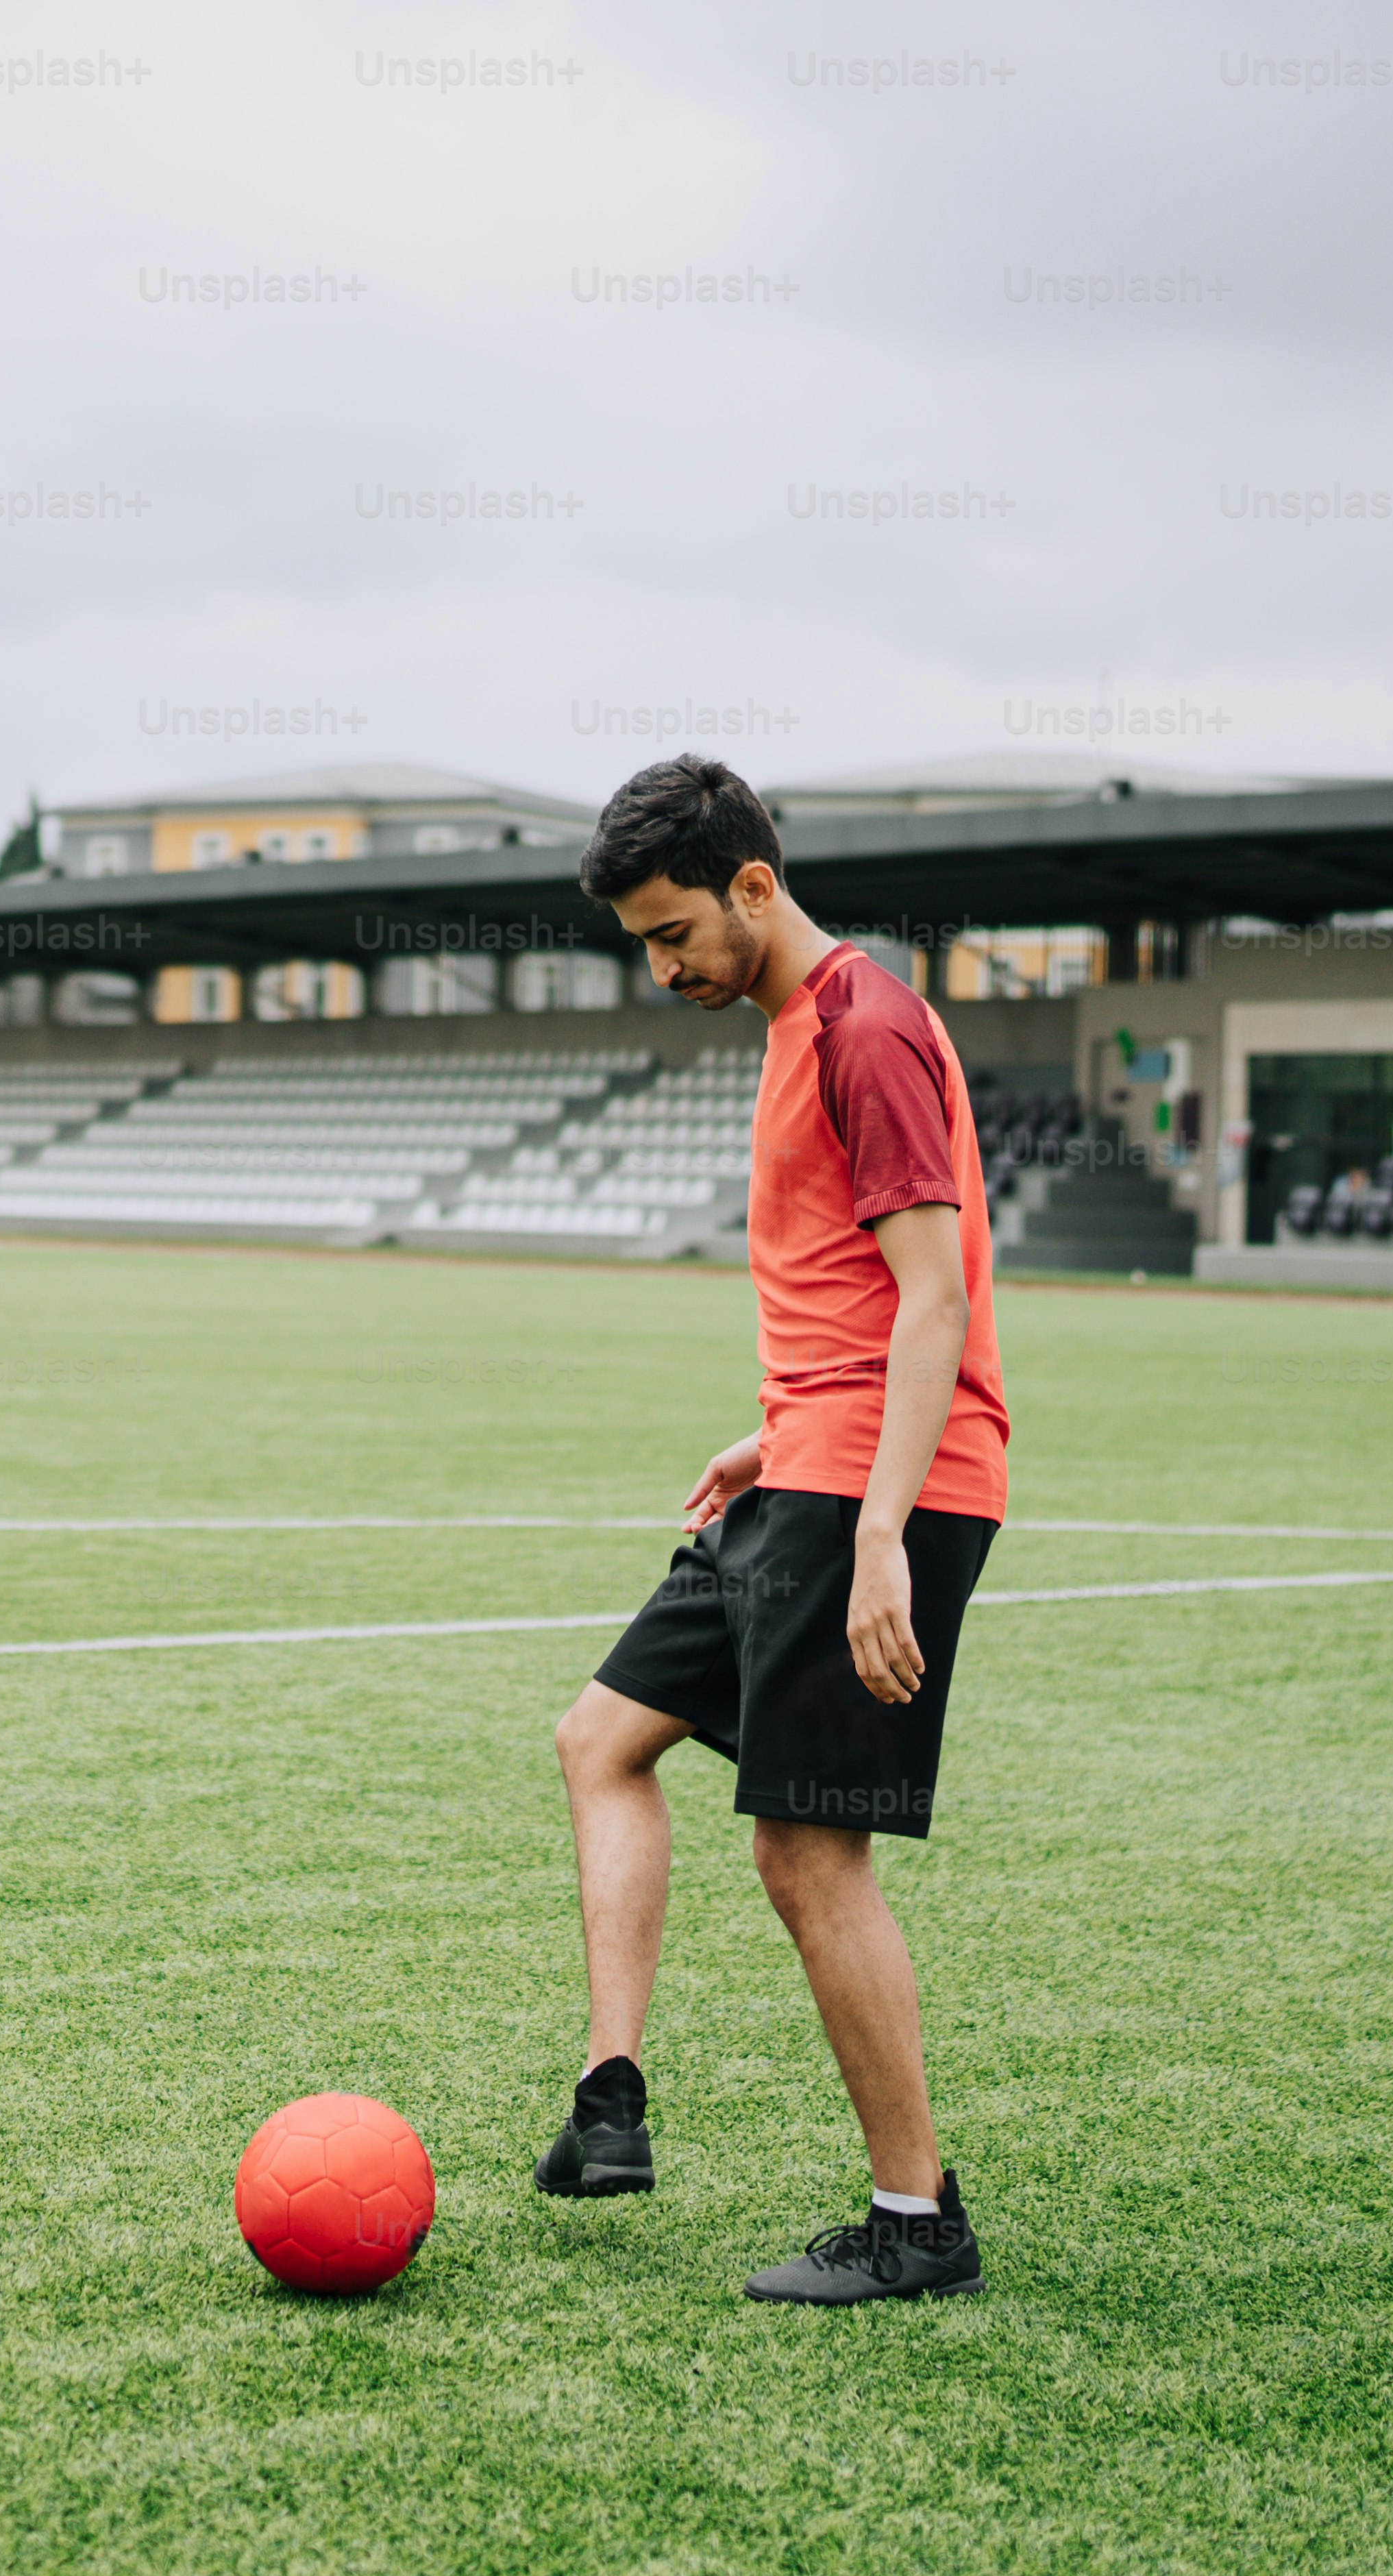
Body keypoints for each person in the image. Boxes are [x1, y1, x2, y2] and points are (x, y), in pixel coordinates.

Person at [537, 755, 1010, 2304]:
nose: (662, 966)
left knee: (808, 1854)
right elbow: (857, 1297)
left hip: (888, 1488)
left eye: (674, 932)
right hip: (812, 1463)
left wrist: (875, 1533)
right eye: (640, 942)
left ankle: (915, 2221)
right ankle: (612, 2095)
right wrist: (778, 1434)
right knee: (599, 1738)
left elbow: (936, 1299)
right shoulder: (794, 1023)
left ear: (755, 884)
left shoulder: (862, 1025)